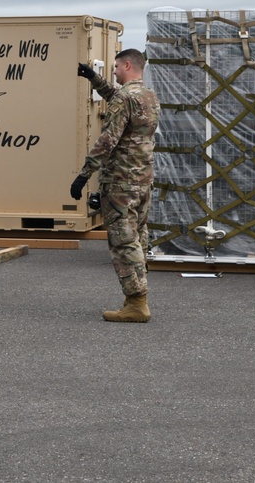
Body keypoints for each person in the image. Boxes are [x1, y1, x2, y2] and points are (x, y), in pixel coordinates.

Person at [71, 49, 160, 323]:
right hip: (143, 181)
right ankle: (136, 297)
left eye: (116, 68)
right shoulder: (147, 96)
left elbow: (108, 139)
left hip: (121, 183)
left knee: (123, 241)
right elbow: (117, 98)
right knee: (138, 237)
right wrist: (94, 79)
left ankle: (137, 304)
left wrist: (84, 175)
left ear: (127, 65)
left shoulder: (125, 98)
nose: (114, 72)